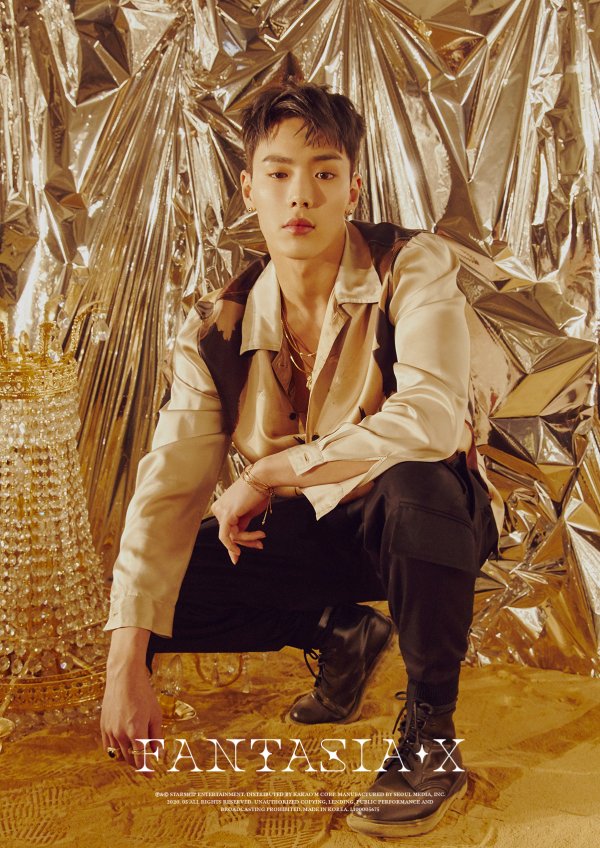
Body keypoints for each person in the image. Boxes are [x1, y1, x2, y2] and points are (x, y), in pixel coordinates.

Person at [100, 77, 504, 838]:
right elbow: (167, 494)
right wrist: (126, 664)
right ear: (248, 188)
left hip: (423, 527)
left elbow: (431, 416)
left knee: (415, 486)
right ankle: (337, 629)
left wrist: (269, 471)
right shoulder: (216, 331)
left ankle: (431, 738)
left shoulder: (410, 266)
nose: (301, 196)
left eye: (323, 173)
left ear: (353, 188)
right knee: (152, 591)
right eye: (279, 173)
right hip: (316, 532)